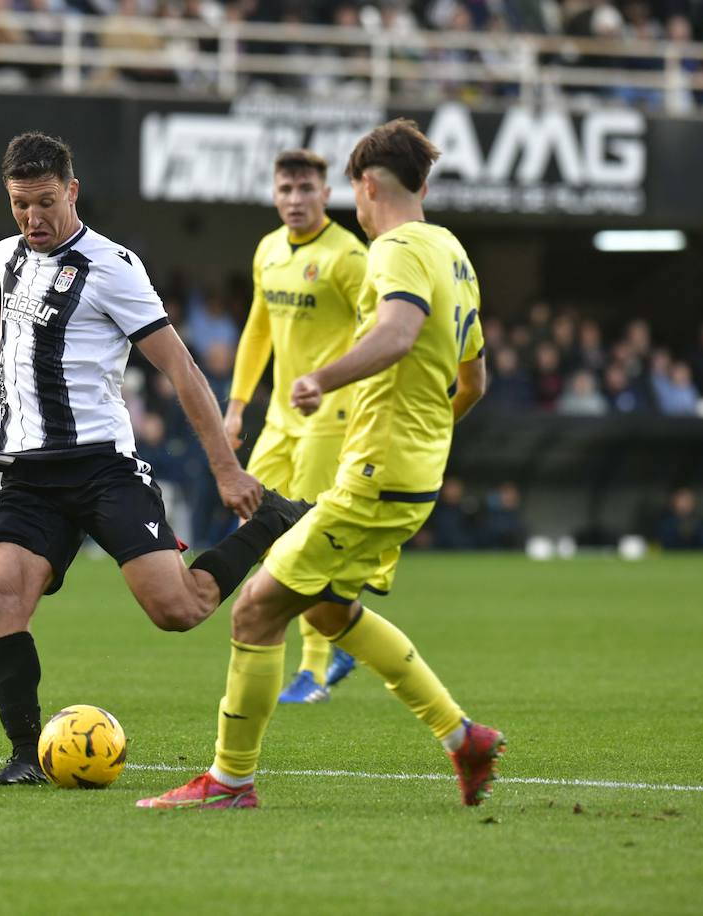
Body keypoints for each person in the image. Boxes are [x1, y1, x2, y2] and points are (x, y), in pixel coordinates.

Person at [0, 132, 307, 786]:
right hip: (28, 475)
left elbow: (183, 371)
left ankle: (272, 520)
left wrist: (225, 468)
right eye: (20, 204)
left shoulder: (114, 267)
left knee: (179, 610)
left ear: (71, 191)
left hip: (102, 468)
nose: (33, 218)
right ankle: (26, 755)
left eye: (46, 202)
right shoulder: (12, 255)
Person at [139, 119, 502, 811]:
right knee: (332, 611)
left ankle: (228, 781)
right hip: (409, 473)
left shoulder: (391, 249)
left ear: (364, 187)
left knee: (252, 612)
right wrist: (423, 440)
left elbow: (396, 333)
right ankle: (464, 738)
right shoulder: (451, 251)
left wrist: (322, 380)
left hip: (373, 474)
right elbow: (475, 379)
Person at [225, 148, 367, 705]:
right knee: (253, 526)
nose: (295, 200)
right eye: (285, 190)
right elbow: (258, 329)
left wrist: (344, 389)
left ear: (326, 195)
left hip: (330, 415)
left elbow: (377, 333)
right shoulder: (268, 250)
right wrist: (237, 405)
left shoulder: (348, 257)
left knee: (303, 538)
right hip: (280, 418)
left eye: (306, 189)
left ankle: (314, 665)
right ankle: (343, 625)